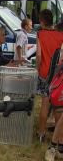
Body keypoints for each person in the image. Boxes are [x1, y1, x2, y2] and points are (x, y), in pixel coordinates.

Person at [36, 9, 63, 142]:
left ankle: (41, 133)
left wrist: (37, 68)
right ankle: (57, 138)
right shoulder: (60, 35)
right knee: (58, 107)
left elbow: (39, 55)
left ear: (42, 21)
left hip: (44, 74)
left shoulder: (40, 34)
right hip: (57, 75)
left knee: (45, 104)